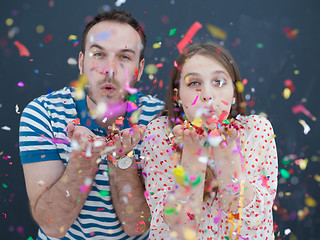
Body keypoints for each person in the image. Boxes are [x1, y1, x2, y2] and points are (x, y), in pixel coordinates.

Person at [19, 9, 164, 239]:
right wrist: (84, 159)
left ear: (140, 68)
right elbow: (52, 225)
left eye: (125, 57)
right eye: (99, 55)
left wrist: (120, 157)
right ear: (81, 62)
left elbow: (138, 226)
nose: (110, 69)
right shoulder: (42, 113)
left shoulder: (158, 119)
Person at [141, 42, 278, 239]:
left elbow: (253, 225)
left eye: (219, 82)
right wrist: (193, 152)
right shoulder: (160, 133)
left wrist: (226, 150)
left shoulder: (256, 130)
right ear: (178, 96)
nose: (207, 95)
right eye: (194, 83)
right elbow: (180, 230)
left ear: (233, 94)